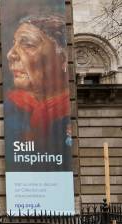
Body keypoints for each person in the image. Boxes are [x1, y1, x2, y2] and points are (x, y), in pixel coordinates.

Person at [5, 14, 72, 171]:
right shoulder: (9, 110)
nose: (11, 54)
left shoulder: (67, 117)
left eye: (28, 44)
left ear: (63, 59)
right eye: (14, 44)